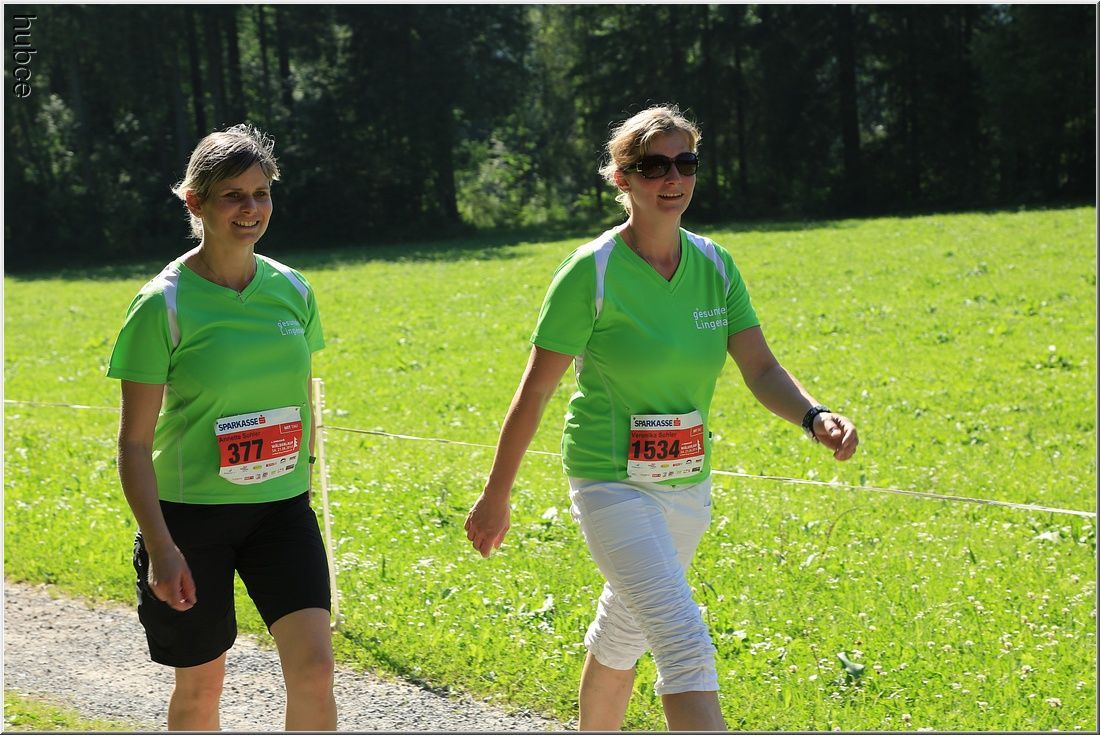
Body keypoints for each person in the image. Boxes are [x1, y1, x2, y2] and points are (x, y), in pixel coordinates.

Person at [464, 104, 858, 731]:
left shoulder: (716, 266)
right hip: (610, 483)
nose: (672, 179)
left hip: (687, 486)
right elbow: (534, 393)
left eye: (685, 163)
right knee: (683, 642)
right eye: (654, 167)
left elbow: (761, 369)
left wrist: (814, 416)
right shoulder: (591, 271)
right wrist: (497, 495)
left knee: (623, 631)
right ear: (622, 179)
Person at [107, 123, 336, 731]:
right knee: (202, 685)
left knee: (315, 670)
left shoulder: (292, 290)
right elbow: (134, 443)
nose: (250, 208)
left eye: (261, 193)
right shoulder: (163, 304)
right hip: (191, 521)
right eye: (233, 195)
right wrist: (161, 547)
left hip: (281, 511)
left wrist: (301, 471)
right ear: (196, 201)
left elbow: (300, 400)